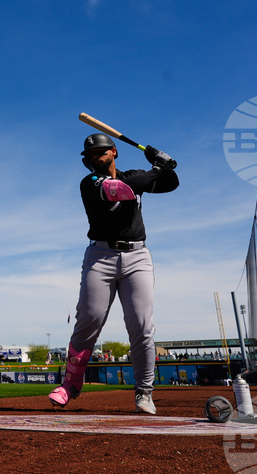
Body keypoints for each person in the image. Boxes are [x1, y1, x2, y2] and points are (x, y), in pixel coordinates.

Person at [49, 133, 179, 414]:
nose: (94, 157)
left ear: (114, 152)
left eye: (99, 152)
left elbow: (171, 184)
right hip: (100, 257)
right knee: (89, 319)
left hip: (137, 257)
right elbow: (120, 189)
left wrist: (162, 162)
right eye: (90, 155)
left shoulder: (136, 175)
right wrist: (158, 166)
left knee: (141, 325)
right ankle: (71, 384)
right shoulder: (91, 182)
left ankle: (144, 391)